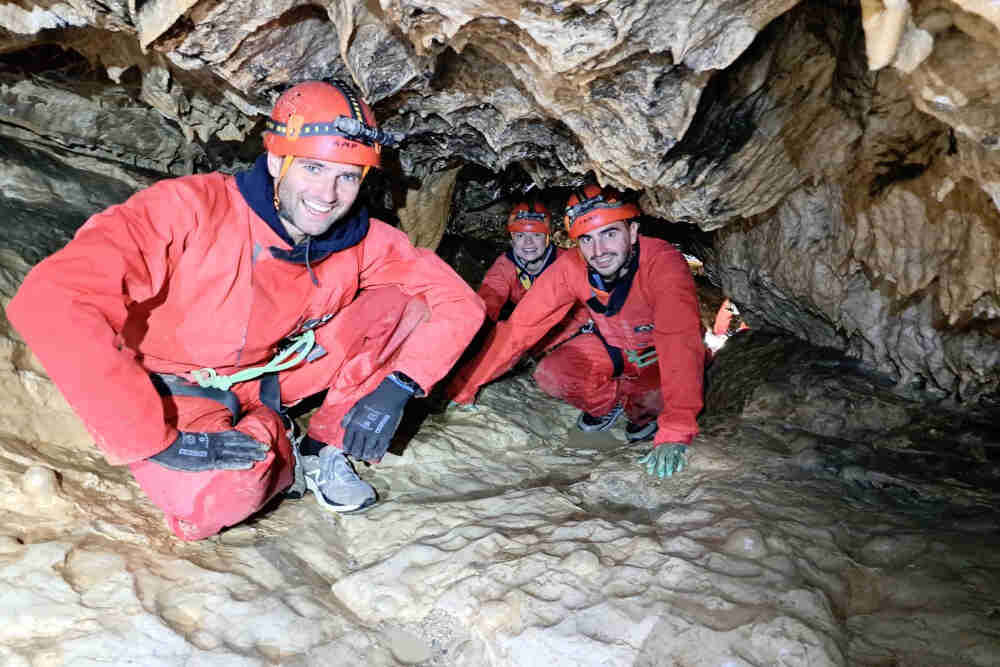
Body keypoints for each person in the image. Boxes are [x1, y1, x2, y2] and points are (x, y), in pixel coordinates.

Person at [6, 80, 485, 540]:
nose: (327, 195)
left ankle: (323, 446)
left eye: (347, 177)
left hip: (276, 372)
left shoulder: (361, 240)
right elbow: (54, 298)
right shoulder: (189, 209)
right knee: (223, 495)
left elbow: (459, 302)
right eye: (313, 169)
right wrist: (158, 439)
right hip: (179, 390)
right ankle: (278, 450)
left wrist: (399, 385)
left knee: (408, 302)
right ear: (277, 160)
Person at [449, 184, 704, 479]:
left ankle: (641, 411)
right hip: (610, 346)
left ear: (632, 232)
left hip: (656, 355)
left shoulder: (663, 263)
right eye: (586, 239)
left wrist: (676, 430)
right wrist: (465, 386)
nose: (599, 251)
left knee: (652, 401)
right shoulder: (571, 266)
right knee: (552, 373)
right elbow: (520, 328)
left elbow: (679, 341)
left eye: (609, 234)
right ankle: (611, 403)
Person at [475, 199, 591, 351]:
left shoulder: (567, 263)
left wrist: (549, 343)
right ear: (512, 239)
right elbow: (490, 298)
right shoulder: (506, 265)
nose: (528, 243)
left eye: (536, 235)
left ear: (548, 238)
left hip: (567, 326)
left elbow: (586, 310)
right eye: (520, 236)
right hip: (528, 324)